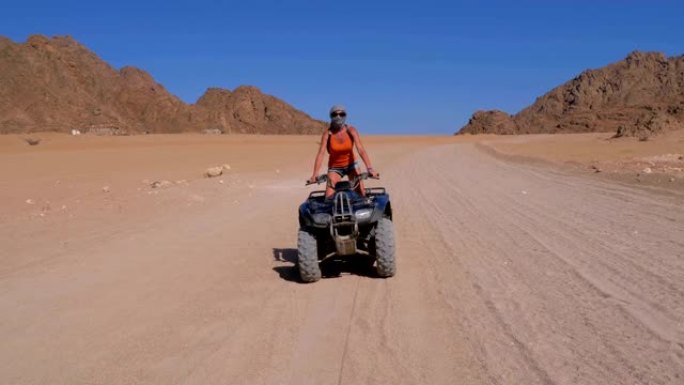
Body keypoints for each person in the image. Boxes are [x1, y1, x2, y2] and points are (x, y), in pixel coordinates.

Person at [309, 105, 378, 198]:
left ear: (345, 116)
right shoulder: (327, 134)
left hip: (351, 165)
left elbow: (361, 149)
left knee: (361, 193)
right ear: (331, 116)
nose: (338, 117)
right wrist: (315, 174)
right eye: (335, 114)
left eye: (341, 114)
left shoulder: (351, 130)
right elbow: (321, 153)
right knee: (329, 197)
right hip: (335, 168)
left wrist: (370, 168)